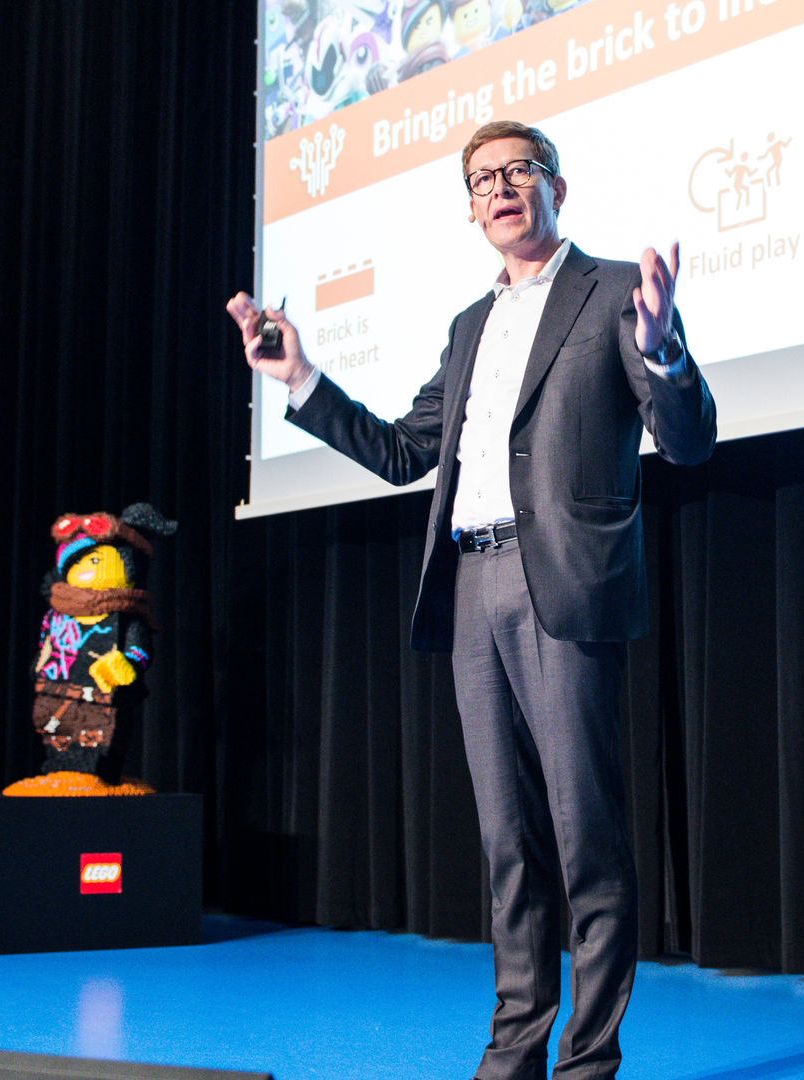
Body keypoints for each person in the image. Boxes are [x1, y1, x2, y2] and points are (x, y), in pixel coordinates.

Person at [226, 119, 715, 1080]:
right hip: (471, 589)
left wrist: (661, 355)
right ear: (469, 206)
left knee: (589, 839)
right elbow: (407, 452)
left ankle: (586, 1063)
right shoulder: (469, 325)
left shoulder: (615, 292)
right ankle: (513, 1051)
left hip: (564, 589)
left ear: (557, 190)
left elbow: (692, 441)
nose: (499, 188)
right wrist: (301, 378)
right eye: (480, 178)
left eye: (517, 171)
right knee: (509, 844)